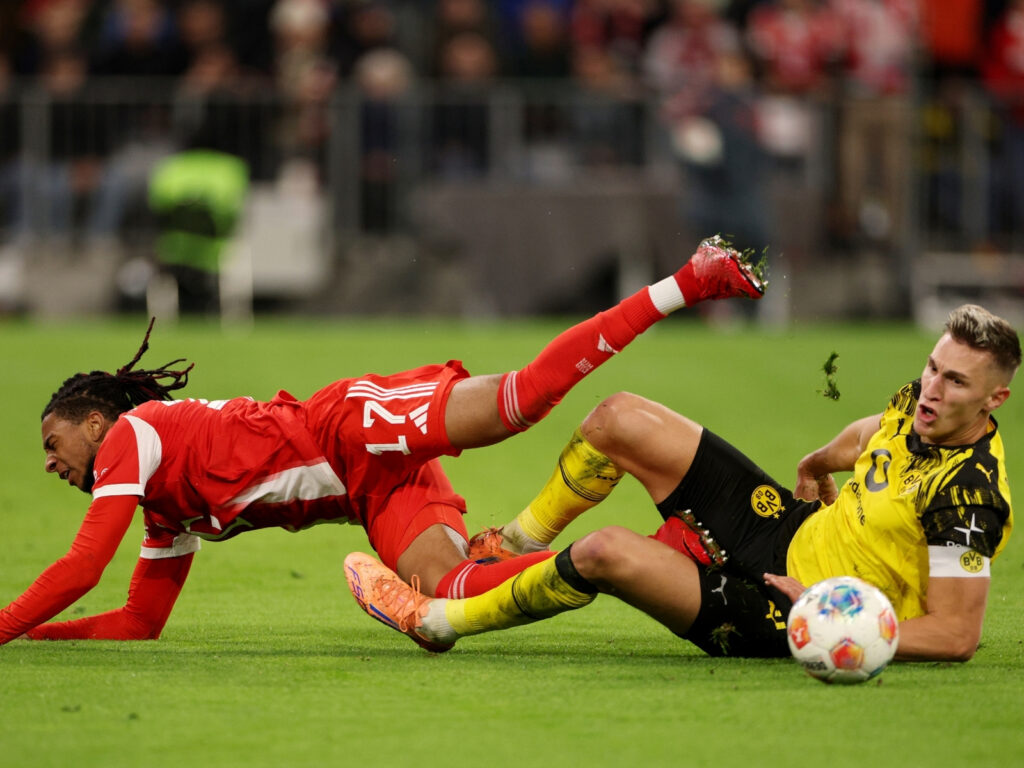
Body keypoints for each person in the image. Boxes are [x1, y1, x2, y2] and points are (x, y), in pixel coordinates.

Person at [0, 236, 764, 645]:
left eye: (53, 439)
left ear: (96, 422)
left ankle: (690, 279)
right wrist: (39, 641)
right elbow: (139, 622)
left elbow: (82, 564)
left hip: (348, 424)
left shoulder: (133, 436)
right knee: (454, 595)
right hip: (377, 491)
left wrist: (4, 626)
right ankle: (667, 559)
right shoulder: (164, 510)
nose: (48, 459)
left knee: (519, 403)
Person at [345, 304, 1018, 662]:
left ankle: (438, 621)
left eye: (955, 381)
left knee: (607, 551)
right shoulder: (915, 408)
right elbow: (870, 434)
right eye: (932, 367)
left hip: (791, 609)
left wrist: (836, 614)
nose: (932, 389)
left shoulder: (969, 499)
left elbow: (956, 635)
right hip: (786, 529)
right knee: (618, 419)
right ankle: (510, 545)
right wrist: (816, 466)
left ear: (996, 400)